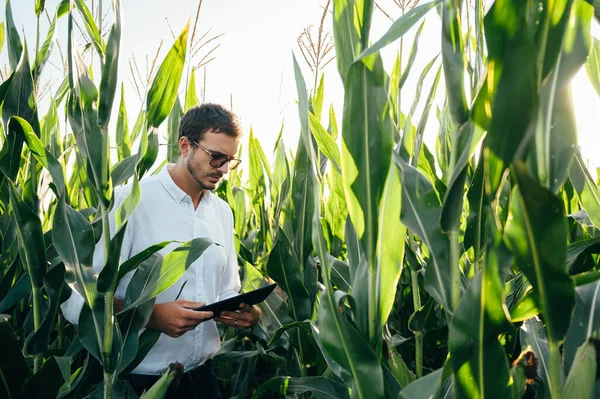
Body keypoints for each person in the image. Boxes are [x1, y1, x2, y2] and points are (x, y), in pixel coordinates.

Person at [61, 103, 261, 398]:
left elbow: (227, 290)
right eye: (216, 157)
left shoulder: (222, 212)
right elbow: (78, 297)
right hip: (141, 383)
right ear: (185, 146)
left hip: (204, 382)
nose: (223, 170)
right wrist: (149, 316)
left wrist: (245, 313)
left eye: (231, 160)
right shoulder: (130, 202)